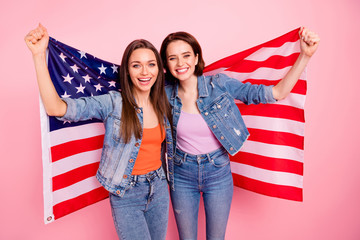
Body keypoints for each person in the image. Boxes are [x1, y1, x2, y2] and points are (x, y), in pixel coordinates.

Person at [160, 27, 320, 240]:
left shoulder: (219, 84)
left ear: (196, 57)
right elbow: (136, 92)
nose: (181, 63)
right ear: (166, 64)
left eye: (186, 55)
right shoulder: (162, 94)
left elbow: (276, 93)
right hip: (181, 174)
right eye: (173, 58)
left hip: (217, 172)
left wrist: (305, 56)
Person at [25, 24, 174, 240]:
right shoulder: (113, 103)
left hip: (159, 187)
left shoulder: (163, 101)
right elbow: (56, 108)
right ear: (127, 70)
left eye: (151, 64)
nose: (145, 72)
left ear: (158, 69)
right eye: (136, 65)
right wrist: (39, 56)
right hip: (126, 192)